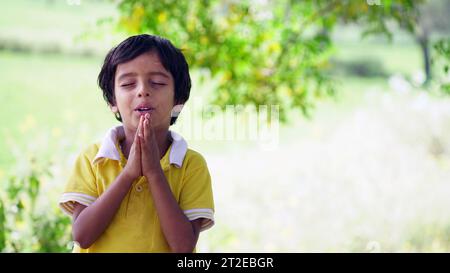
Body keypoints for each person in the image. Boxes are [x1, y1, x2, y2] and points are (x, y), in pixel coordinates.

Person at [59, 34, 214, 253]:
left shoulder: (191, 165)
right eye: (128, 83)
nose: (142, 90)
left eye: (158, 82)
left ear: (178, 99)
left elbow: (184, 247)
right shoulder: (93, 159)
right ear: (113, 102)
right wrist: (129, 174)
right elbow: (82, 236)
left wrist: (154, 172)